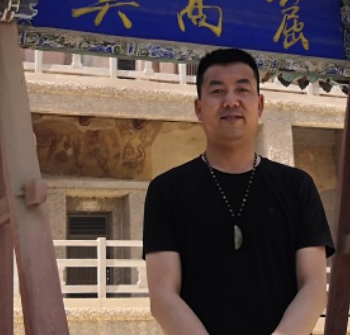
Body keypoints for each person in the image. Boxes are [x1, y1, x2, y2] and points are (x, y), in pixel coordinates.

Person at [143, 47, 334, 335]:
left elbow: (314, 286)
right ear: (198, 108)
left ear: (260, 104)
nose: (231, 101)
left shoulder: (297, 186)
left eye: (242, 90)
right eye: (217, 91)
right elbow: (163, 296)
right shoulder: (166, 191)